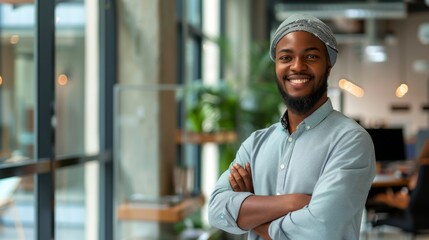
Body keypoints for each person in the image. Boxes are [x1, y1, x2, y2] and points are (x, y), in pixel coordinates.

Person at [208, 14, 376, 240]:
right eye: (286, 57)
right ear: (276, 66)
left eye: (311, 56)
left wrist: (251, 211)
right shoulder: (255, 144)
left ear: (328, 64)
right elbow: (216, 211)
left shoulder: (351, 141)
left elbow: (319, 231)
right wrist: (294, 202)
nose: (297, 66)